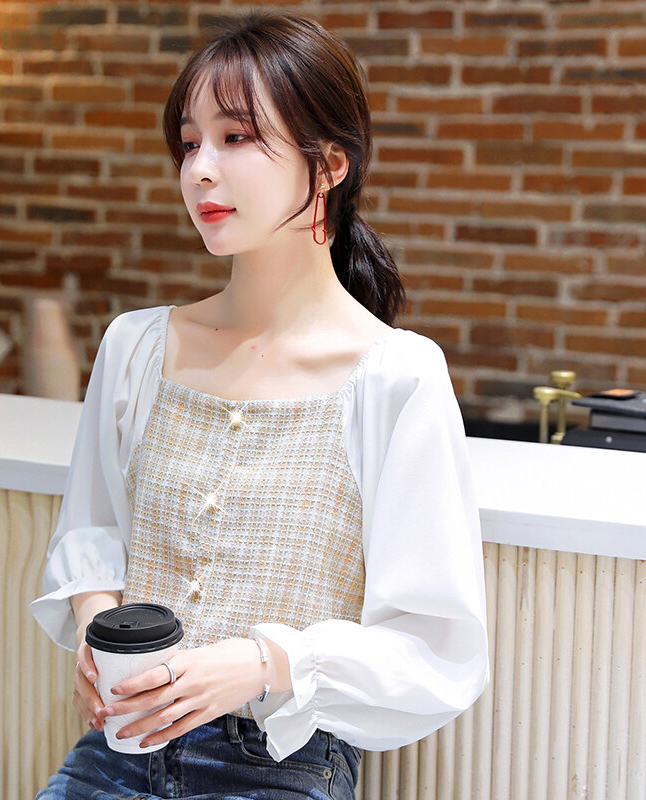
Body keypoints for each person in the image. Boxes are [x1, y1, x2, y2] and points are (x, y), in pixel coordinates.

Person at [30, 11, 489, 800]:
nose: (200, 170)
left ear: (330, 163)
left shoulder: (396, 378)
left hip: (282, 762)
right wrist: (93, 631)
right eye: (189, 143)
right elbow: (92, 530)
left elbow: (435, 646)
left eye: (236, 137)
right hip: (116, 750)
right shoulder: (136, 347)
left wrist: (261, 662)